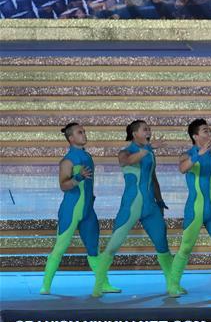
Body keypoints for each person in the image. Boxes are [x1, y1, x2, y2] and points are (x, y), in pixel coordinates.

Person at [92, 120, 175, 297]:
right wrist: (149, 148)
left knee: (162, 244)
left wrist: (160, 200)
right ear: (134, 133)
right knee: (113, 246)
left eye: (149, 129)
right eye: (145, 129)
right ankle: (99, 286)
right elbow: (127, 162)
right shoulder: (125, 152)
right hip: (131, 205)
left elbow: (153, 178)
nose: (149, 131)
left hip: (150, 206)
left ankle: (172, 285)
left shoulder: (150, 153)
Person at [40, 123, 113, 295]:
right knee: (60, 248)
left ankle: (104, 284)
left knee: (94, 249)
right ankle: (45, 285)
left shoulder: (87, 156)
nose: (84, 134)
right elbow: (63, 186)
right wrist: (78, 177)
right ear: (71, 138)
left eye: (84, 131)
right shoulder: (67, 161)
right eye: (80, 132)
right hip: (71, 211)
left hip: (88, 211)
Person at [168, 119, 211, 297]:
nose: (209, 133)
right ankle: (173, 285)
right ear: (195, 136)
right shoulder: (187, 155)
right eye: (205, 131)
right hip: (195, 210)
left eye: (210, 130)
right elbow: (183, 168)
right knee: (186, 247)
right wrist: (198, 154)